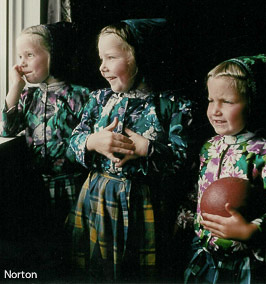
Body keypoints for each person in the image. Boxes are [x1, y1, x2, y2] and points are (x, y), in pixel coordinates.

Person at [65, 18, 193, 282]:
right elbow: (72, 143)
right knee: (98, 269)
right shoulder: (99, 100)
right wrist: (92, 142)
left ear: (142, 57)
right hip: (98, 196)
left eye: (111, 57)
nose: (102, 67)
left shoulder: (172, 105)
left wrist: (148, 149)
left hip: (144, 204)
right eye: (101, 58)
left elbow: (184, 161)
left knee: (140, 272)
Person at [179, 54, 266, 283]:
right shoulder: (209, 147)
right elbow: (198, 193)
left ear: (254, 103)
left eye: (227, 102)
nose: (215, 110)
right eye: (210, 100)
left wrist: (251, 230)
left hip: (247, 265)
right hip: (204, 258)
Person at [0, 22, 90, 264]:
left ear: (54, 57)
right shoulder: (28, 96)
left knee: (75, 243)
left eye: (30, 55)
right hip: (36, 187)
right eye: (19, 56)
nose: (21, 62)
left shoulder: (80, 95)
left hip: (73, 184)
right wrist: (15, 87)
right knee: (45, 244)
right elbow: (5, 128)